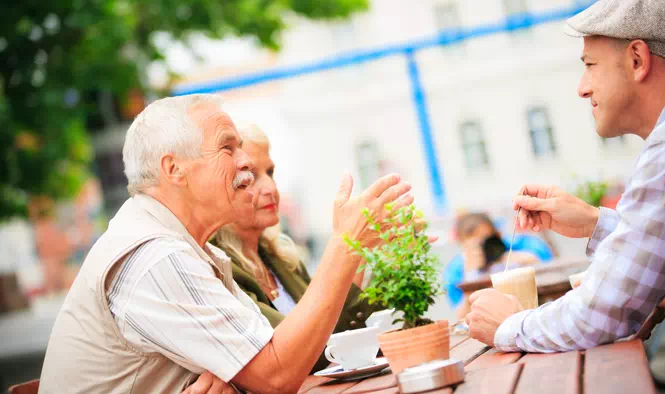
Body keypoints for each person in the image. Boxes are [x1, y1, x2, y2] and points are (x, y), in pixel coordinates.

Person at [39, 94, 414, 394]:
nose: (246, 162)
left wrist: (236, 377)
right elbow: (277, 374)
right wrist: (346, 244)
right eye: (228, 148)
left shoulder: (193, 250)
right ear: (174, 170)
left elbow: (271, 360)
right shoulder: (156, 255)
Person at [465, 1, 665, 392]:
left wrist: (508, 325)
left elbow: (604, 314)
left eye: (590, 65)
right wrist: (594, 222)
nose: (581, 87)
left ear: (638, 60)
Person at [210, 124, 383, 372]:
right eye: (250, 177)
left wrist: (369, 251)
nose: (270, 188)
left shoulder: (283, 257)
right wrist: (348, 246)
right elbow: (299, 351)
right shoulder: (221, 269)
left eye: (270, 173)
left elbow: (341, 331)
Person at [443, 212, 553, 319]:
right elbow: (462, 316)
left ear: (498, 235)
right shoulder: (456, 271)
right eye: (477, 245)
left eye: (487, 241)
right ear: (464, 246)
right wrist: (470, 278)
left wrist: (515, 258)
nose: (485, 248)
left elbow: (547, 263)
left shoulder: (514, 246)